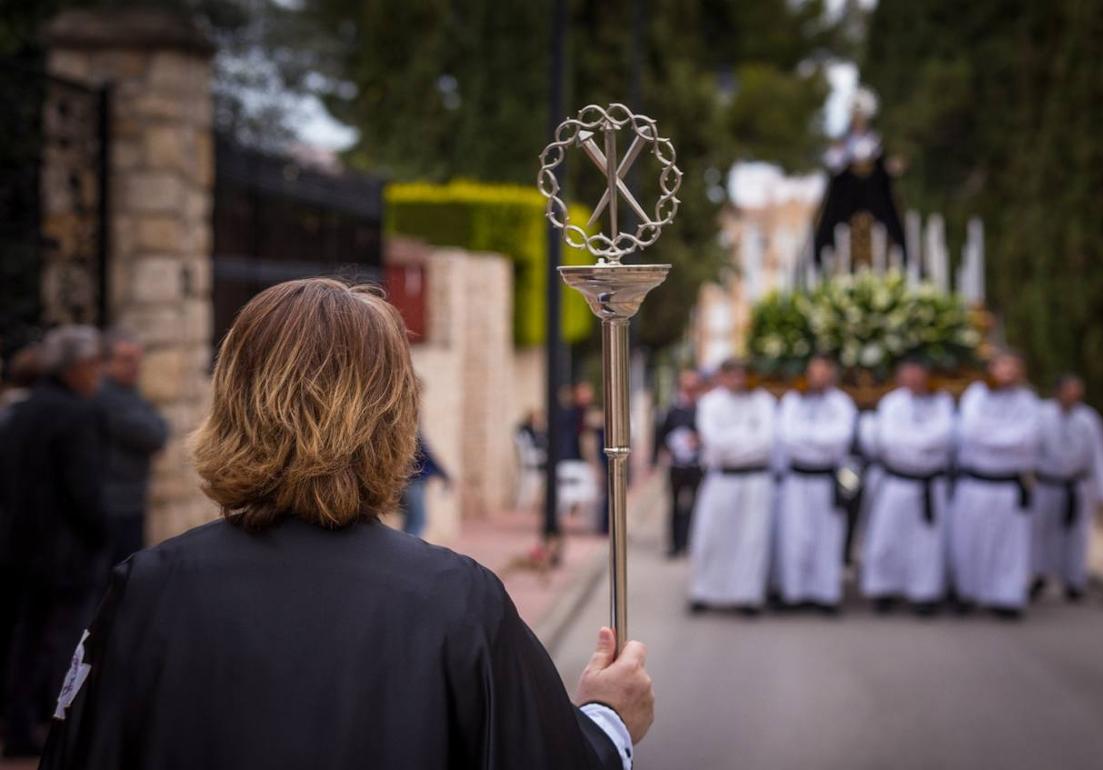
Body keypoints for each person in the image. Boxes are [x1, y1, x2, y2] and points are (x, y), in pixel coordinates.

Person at [39, 279, 651, 769]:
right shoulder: (456, 600)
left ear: (231, 400)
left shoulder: (149, 587)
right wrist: (609, 721)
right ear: (393, 414)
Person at [0, 326, 107, 758]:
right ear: (78, 368)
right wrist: (102, 532)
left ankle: (21, 725)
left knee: (25, 641)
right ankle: (57, 724)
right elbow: (83, 490)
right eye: (94, 366)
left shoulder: (24, 410)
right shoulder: (73, 414)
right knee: (63, 641)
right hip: (63, 553)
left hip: (21, 547)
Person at [948, 350, 1043, 619]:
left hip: (1009, 486)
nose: (1008, 374)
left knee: (1008, 546)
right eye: (1003, 367)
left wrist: (995, 439)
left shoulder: (1027, 401)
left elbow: (1029, 438)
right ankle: (967, 592)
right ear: (991, 368)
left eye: (1013, 368)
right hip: (976, 484)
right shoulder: (976, 395)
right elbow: (972, 432)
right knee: (970, 541)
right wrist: (1007, 439)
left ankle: (1006, 596)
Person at [861, 359, 955, 615]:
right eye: (909, 375)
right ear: (900, 377)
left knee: (927, 542)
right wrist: (923, 444)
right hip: (898, 481)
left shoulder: (941, 402)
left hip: (929, 483)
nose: (914, 380)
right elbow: (889, 440)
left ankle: (924, 593)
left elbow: (944, 435)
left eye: (918, 374)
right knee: (887, 538)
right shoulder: (892, 403)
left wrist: (914, 443)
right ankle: (884, 589)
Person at [688, 359, 776, 615]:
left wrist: (733, 442)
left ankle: (747, 595)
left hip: (755, 480)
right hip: (722, 479)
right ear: (723, 377)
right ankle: (704, 591)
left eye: (742, 374)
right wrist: (746, 438)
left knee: (752, 538)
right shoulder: (710, 403)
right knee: (712, 536)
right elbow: (714, 443)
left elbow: (767, 442)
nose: (738, 380)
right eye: (733, 375)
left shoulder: (763, 401)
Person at [773, 356, 857, 612]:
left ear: (832, 375)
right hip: (797, 480)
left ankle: (825, 595)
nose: (818, 377)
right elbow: (787, 437)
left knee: (827, 537)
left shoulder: (841, 403)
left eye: (824, 372)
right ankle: (794, 593)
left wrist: (808, 440)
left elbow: (840, 437)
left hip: (827, 480)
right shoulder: (793, 401)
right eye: (814, 372)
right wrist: (818, 441)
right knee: (795, 536)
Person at [1031, 374, 1103, 602]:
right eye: (1069, 390)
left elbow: (1099, 455)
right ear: (1057, 391)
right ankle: (1038, 575)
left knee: (1076, 535)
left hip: (1076, 486)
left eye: (1077, 391)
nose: (1073, 395)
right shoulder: (1041, 414)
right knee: (1041, 533)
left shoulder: (1088, 419)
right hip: (1046, 484)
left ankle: (1074, 580)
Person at [95, 330, 168, 566]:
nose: (133, 367)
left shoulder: (131, 394)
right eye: (125, 360)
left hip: (132, 498)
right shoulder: (104, 397)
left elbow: (160, 428)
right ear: (106, 363)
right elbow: (151, 433)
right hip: (111, 503)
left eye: (136, 359)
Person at [655, 369, 703, 558]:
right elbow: (662, 434)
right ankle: (675, 543)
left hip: (696, 464)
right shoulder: (673, 409)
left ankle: (689, 541)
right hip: (677, 465)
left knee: (695, 504)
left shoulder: (702, 409)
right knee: (675, 504)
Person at [401, 433, 449, 539]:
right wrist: (443, 474)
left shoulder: (412, 437)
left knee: (412, 519)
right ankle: (410, 550)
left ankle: (406, 548)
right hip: (414, 482)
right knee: (418, 519)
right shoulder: (413, 436)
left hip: (410, 482)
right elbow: (427, 457)